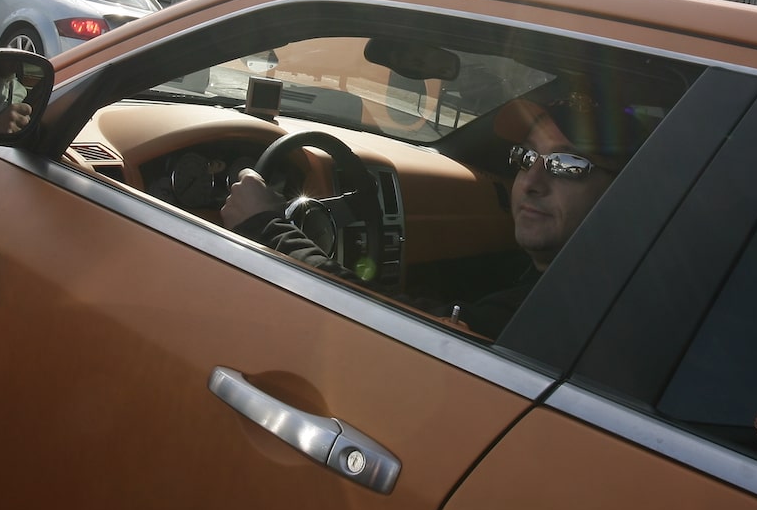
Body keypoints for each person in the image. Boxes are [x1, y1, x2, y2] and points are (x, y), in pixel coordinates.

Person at [221, 87, 648, 337]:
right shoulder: (585, 282)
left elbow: (410, 331)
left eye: (566, 165)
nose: (532, 182)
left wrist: (268, 227)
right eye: (525, 157)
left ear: (624, 192)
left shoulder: (568, 311)